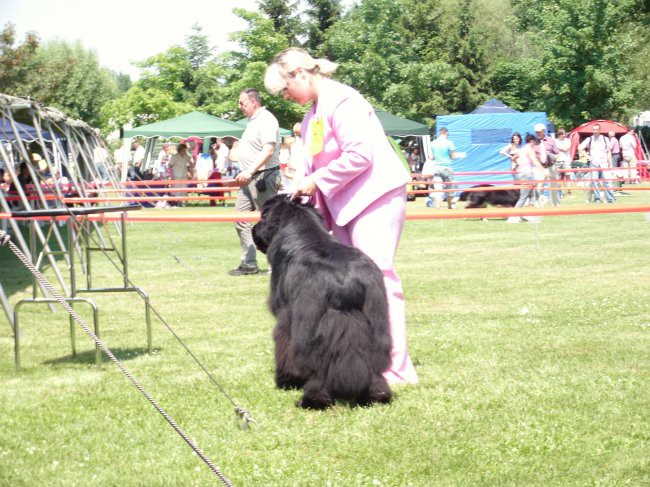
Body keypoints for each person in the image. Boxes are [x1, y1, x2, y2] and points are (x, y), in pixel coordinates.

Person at [264, 47, 418, 385]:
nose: (286, 97)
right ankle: (364, 363)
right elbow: (307, 164)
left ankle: (397, 368)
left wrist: (316, 180)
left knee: (379, 280)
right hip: (344, 206)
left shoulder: (345, 101)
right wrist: (296, 183)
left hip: (374, 197)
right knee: (357, 288)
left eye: (285, 89)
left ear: (300, 73)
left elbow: (360, 155)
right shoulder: (311, 116)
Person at [229, 88, 282, 276]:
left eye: (242, 102)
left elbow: (268, 150)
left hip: (263, 177)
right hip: (249, 178)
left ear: (254, 102)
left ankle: (277, 266)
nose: (239, 106)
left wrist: (250, 171)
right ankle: (249, 263)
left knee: (270, 222)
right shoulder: (252, 122)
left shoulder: (267, 119)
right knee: (240, 217)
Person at [508, 134, 544, 223]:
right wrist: (543, 170)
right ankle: (513, 216)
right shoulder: (529, 150)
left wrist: (518, 165)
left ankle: (529, 214)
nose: (535, 145)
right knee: (524, 197)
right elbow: (534, 161)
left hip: (523, 174)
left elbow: (513, 158)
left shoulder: (522, 149)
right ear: (532, 142)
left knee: (533, 194)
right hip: (527, 174)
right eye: (534, 143)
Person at [579, 123, 615, 203]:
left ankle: (611, 198)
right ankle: (597, 198)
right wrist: (587, 157)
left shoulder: (605, 139)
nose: (594, 131)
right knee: (594, 181)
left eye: (596, 129)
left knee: (607, 181)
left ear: (599, 130)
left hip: (604, 162)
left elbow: (608, 152)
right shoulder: (590, 139)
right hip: (594, 163)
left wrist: (611, 163)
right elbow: (580, 148)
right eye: (593, 129)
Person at [532, 123, 559, 206]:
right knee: (539, 186)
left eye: (539, 132)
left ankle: (555, 204)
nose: (537, 134)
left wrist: (554, 158)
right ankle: (538, 204)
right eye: (536, 132)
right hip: (539, 167)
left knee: (553, 186)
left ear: (544, 131)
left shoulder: (551, 141)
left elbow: (557, 153)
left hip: (550, 166)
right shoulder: (534, 143)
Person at [429, 127, 456, 209]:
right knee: (449, 189)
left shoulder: (433, 143)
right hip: (447, 167)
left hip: (437, 168)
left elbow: (431, 157)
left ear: (439, 133)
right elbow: (453, 156)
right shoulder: (449, 143)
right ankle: (449, 206)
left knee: (438, 190)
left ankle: (438, 207)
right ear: (446, 133)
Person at [554, 128, 572, 195]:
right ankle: (559, 192)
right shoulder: (555, 141)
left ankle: (569, 191)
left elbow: (566, 149)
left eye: (565, 134)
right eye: (562, 134)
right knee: (558, 177)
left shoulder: (568, 141)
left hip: (566, 160)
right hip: (558, 161)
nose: (564, 135)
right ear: (559, 135)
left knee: (568, 176)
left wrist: (557, 147)